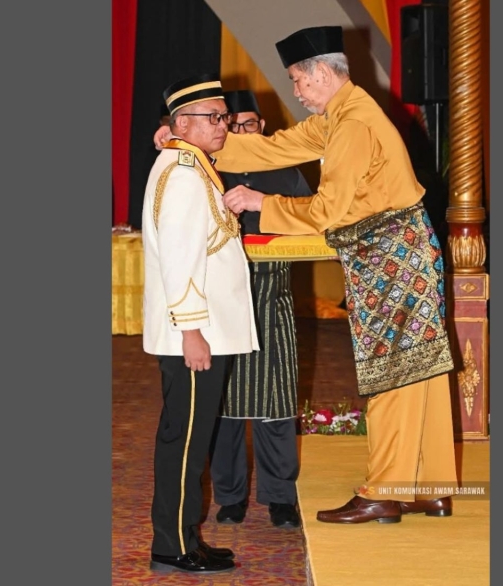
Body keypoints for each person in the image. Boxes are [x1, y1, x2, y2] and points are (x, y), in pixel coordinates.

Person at [155, 26, 458, 524]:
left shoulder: (354, 124)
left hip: (390, 257)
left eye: (298, 80)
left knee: (392, 374)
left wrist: (262, 203)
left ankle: (386, 489)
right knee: (416, 370)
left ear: (321, 73)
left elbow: (330, 209)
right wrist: (190, 136)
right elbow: (274, 149)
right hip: (402, 252)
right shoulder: (344, 113)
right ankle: (426, 485)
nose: (295, 91)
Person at [141, 73, 258, 573]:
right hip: (195, 330)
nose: (223, 125)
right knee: (185, 439)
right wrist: (191, 331)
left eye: (223, 116)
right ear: (181, 123)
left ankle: (186, 533)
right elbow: (180, 258)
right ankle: (173, 544)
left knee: (191, 437)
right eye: (213, 117)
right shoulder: (185, 174)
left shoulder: (190, 163)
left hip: (202, 327)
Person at [207, 90, 311, 530]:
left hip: (273, 300)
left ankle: (280, 497)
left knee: (277, 401)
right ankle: (229, 496)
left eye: (248, 124)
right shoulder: (207, 170)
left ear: (263, 126)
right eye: (232, 125)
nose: (240, 132)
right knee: (223, 403)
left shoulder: (285, 170)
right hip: (223, 300)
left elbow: (313, 217)